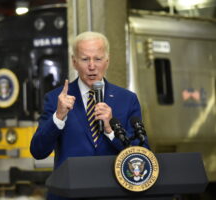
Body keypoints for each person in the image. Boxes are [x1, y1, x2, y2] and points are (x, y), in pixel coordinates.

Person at [30, 31, 150, 200]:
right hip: (68, 195)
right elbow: (38, 151)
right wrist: (58, 117)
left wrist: (110, 129)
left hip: (114, 194)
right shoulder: (56, 99)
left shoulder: (127, 99)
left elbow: (143, 155)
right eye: (85, 59)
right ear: (74, 62)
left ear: (107, 61)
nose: (92, 66)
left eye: (98, 59)